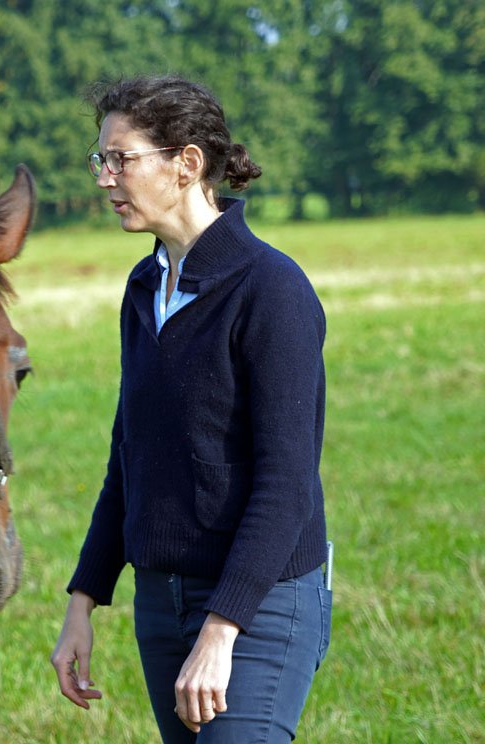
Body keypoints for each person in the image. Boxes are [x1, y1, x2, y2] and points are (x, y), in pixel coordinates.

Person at [50, 74, 332, 743]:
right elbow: (130, 455)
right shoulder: (143, 288)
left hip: (259, 605)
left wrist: (221, 628)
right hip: (160, 604)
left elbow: (287, 483)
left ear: (187, 164)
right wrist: (83, 601)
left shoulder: (272, 290)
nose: (105, 178)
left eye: (120, 159)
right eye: (100, 160)